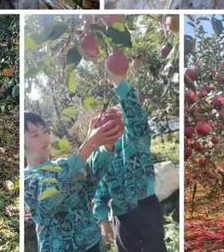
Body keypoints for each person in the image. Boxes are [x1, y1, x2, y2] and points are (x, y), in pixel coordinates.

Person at [24, 111, 122, 251]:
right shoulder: (28, 179)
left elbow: (91, 179)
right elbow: (49, 199)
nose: (44, 137)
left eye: (45, 131)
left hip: (93, 243)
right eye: (35, 134)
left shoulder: (64, 164)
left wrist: (107, 146)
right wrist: (89, 144)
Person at [93, 69, 167, 252]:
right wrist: (103, 219)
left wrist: (119, 83)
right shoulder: (102, 156)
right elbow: (100, 193)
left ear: (122, 122)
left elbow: (135, 114)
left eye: (114, 121)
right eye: (105, 126)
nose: (111, 129)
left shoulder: (137, 138)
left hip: (147, 207)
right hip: (121, 215)